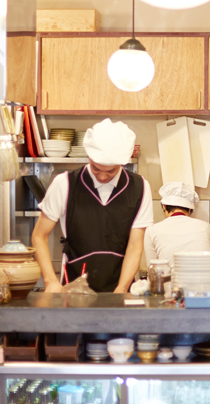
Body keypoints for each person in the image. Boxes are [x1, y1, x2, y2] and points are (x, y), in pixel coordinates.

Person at [31, 119, 153, 293]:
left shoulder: (139, 187)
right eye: (96, 168)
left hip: (120, 284)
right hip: (73, 286)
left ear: (123, 163)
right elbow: (39, 236)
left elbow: (135, 245)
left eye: (111, 171)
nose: (102, 177)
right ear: (88, 156)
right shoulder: (64, 183)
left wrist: (121, 289)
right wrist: (50, 281)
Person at [143, 182, 210, 268]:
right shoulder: (206, 227)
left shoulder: (151, 231)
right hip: (204, 281)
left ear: (164, 206)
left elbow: (152, 270)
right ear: (190, 209)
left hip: (169, 281)